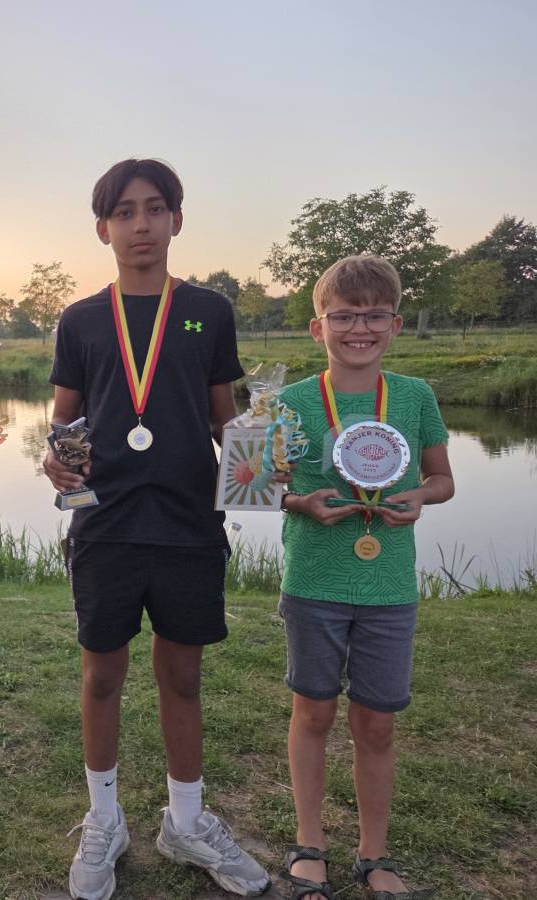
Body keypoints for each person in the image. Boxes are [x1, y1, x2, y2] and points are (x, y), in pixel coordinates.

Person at [43, 158, 272, 899]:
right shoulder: (81, 319)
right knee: (102, 675)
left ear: (177, 219)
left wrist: (267, 460)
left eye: (153, 209)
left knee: (182, 676)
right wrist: (55, 460)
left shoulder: (208, 310)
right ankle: (104, 819)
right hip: (105, 524)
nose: (140, 224)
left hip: (188, 521)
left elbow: (222, 420)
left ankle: (187, 820)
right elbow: (65, 421)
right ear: (102, 228)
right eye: (124, 212)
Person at [277, 255, 454, 900]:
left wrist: (421, 497)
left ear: (396, 325)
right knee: (313, 712)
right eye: (344, 316)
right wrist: (299, 502)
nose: (360, 329)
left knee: (377, 724)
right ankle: (309, 845)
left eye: (375, 316)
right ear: (317, 327)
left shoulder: (415, 396)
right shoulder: (290, 401)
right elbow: (256, 486)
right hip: (313, 582)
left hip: (389, 588)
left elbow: (442, 479)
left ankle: (373, 853)